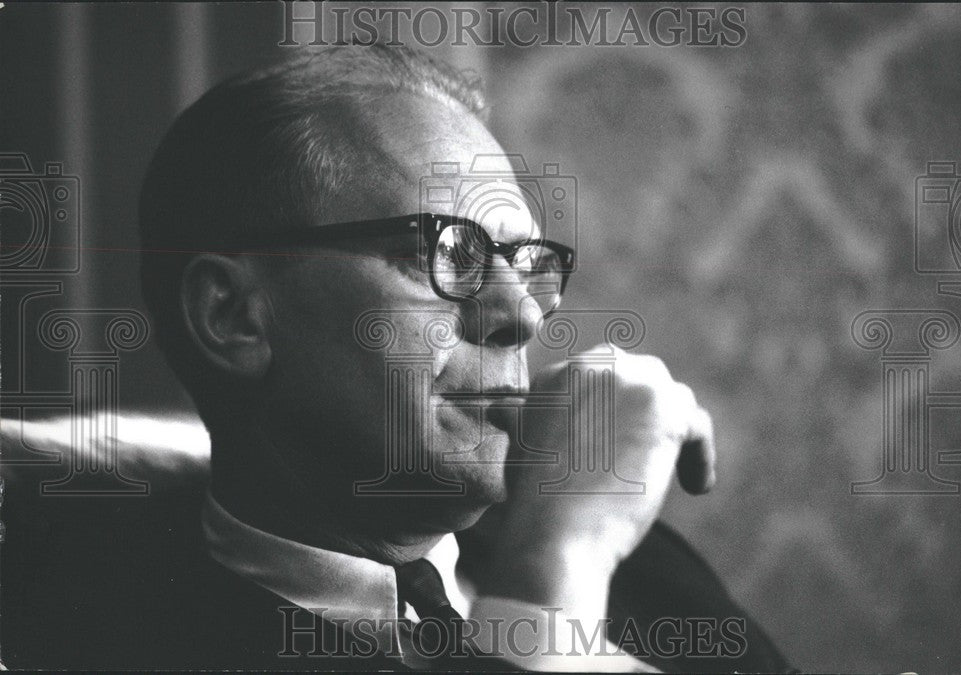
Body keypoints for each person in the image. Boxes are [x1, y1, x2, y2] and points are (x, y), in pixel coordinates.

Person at [5, 44, 791, 671]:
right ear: (233, 315)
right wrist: (554, 575)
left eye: (526, 263)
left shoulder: (637, 559)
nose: (519, 313)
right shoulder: (91, 636)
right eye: (449, 252)